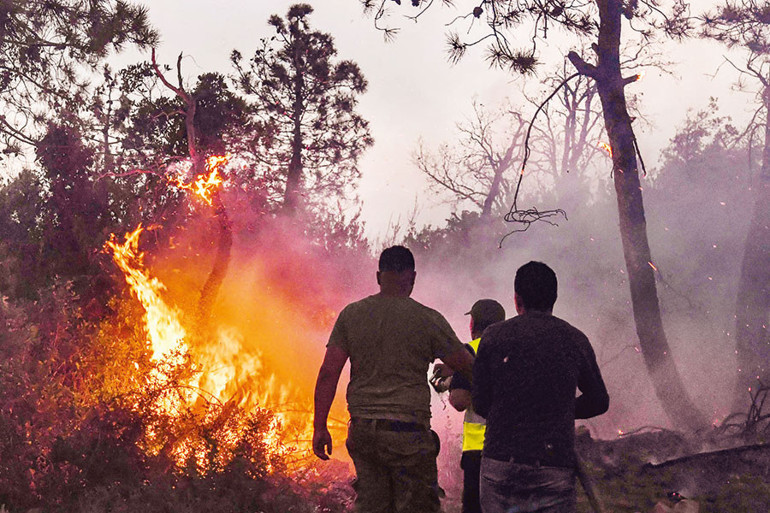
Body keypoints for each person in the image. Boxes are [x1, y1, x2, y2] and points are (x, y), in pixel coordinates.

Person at [312, 245, 474, 513]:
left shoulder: (351, 315)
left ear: (379, 277)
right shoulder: (426, 319)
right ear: (412, 277)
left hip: (363, 434)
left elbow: (329, 372)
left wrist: (319, 426)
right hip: (408, 434)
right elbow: (467, 366)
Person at [472, 261, 609, 513]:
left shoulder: (494, 336)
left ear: (517, 299)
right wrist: (559, 408)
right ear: (554, 298)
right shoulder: (574, 339)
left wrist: (513, 407)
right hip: (553, 464)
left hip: (501, 463)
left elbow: (480, 402)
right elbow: (599, 400)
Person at [448, 299, 506, 513]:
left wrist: (451, 384)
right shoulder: (515, 350)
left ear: (472, 324)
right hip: (512, 449)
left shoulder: (470, 351)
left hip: (479, 451)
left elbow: (460, 400)